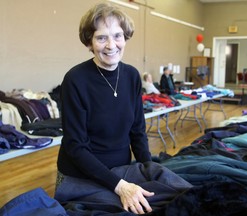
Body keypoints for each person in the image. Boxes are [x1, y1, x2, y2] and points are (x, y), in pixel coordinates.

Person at [55, 3, 191, 215]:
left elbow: (137, 131)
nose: (111, 45)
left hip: (123, 172)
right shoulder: (75, 80)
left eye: (117, 36)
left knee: (169, 201)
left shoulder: (132, 76)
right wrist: (120, 186)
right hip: (81, 177)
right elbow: (76, 147)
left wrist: (148, 170)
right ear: (90, 42)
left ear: (125, 37)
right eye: (101, 38)